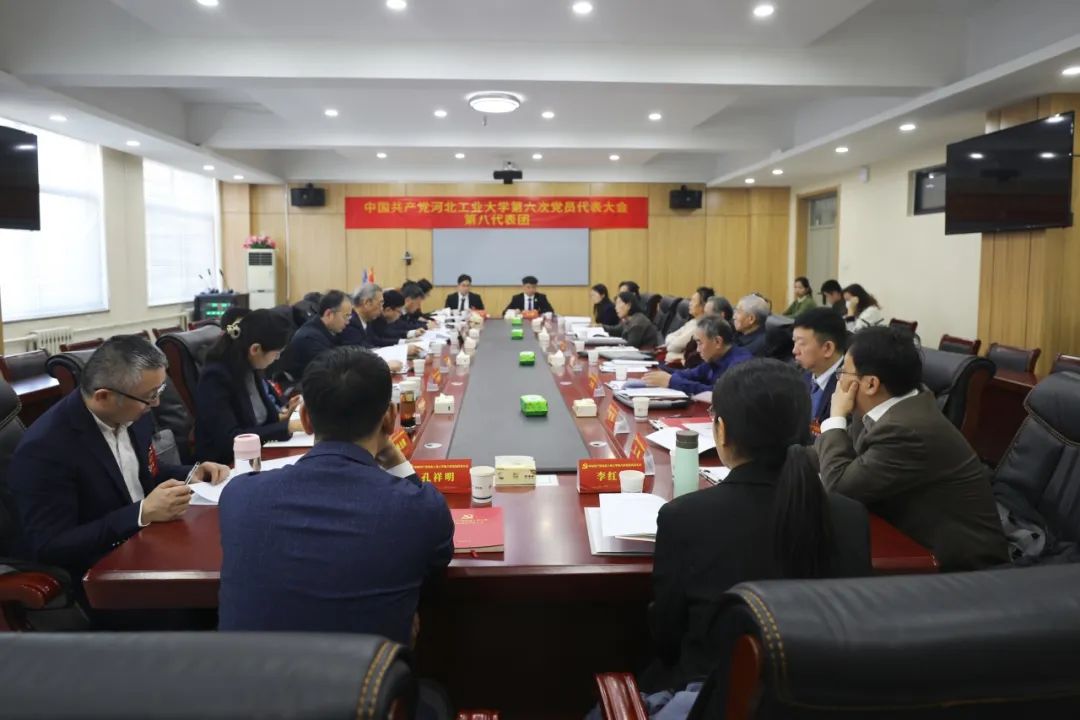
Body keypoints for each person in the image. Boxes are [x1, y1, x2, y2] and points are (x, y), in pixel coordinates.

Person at [643, 359, 870, 697]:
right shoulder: (850, 515)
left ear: (721, 430)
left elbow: (667, 637)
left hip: (711, 699)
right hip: (821, 700)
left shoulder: (684, 516)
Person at [218, 346, 454, 643]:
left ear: (305, 419)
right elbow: (435, 560)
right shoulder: (418, 507)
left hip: (247, 673)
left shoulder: (240, 495)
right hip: (366, 674)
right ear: (390, 418)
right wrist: (398, 463)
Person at [9, 335, 229, 579]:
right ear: (103, 397)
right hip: (102, 566)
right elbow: (51, 545)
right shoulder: (46, 448)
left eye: (159, 391)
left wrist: (191, 472)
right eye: (150, 395)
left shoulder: (132, 410)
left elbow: (139, 470)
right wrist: (141, 513)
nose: (156, 403)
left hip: (149, 538)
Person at [816, 327, 1009, 571]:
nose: (839, 381)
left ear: (871, 384)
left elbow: (839, 487)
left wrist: (835, 418)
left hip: (959, 566)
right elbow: (836, 456)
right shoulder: (891, 406)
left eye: (843, 372)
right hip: (903, 533)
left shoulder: (905, 430)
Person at [195, 311, 303, 464]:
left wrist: (284, 417)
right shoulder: (215, 377)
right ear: (255, 349)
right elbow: (230, 439)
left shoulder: (250, 366)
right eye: (277, 353)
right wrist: (288, 426)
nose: (277, 358)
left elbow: (260, 418)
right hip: (226, 464)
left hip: (257, 453)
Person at [643, 316, 752, 395]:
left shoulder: (740, 364)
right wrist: (662, 371)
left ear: (717, 342)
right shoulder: (715, 357)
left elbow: (717, 394)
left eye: (700, 343)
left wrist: (671, 381)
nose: (697, 350)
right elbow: (690, 374)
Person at [791, 307, 847, 429]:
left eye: (801, 343)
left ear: (827, 348)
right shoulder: (796, 376)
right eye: (794, 342)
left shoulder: (848, 386)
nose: (794, 350)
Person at [279, 290, 350, 381]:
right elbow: (333, 370)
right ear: (329, 314)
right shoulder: (310, 339)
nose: (348, 322)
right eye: (346, 316)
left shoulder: (328, 331)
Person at [663, 286, 713, 364]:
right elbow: (668, 337)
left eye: (693, 301)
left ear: (703, 306)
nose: (690, 304)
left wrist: (672, 344)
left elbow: (673, 347)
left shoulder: (699, 327)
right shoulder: (692, 322)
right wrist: (673, 343)